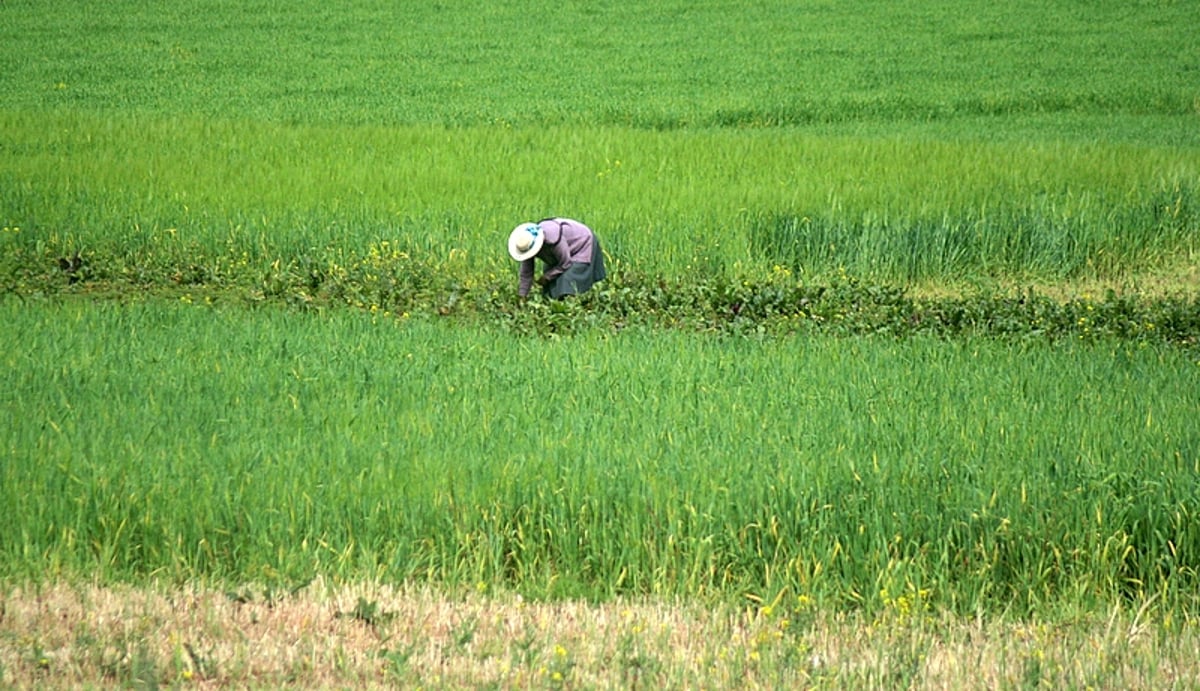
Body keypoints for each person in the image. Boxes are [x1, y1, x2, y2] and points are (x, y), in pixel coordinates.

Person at [507, 217, 607, 299]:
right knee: (550, 289)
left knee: (567, 280)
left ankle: (569, 305)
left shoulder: (553, 239)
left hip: (581, 244)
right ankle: (554, 301)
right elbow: (526, 274)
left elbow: (565, 263)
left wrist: (547, 276)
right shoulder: (527, 246)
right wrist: (522, 296)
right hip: (561, 254)